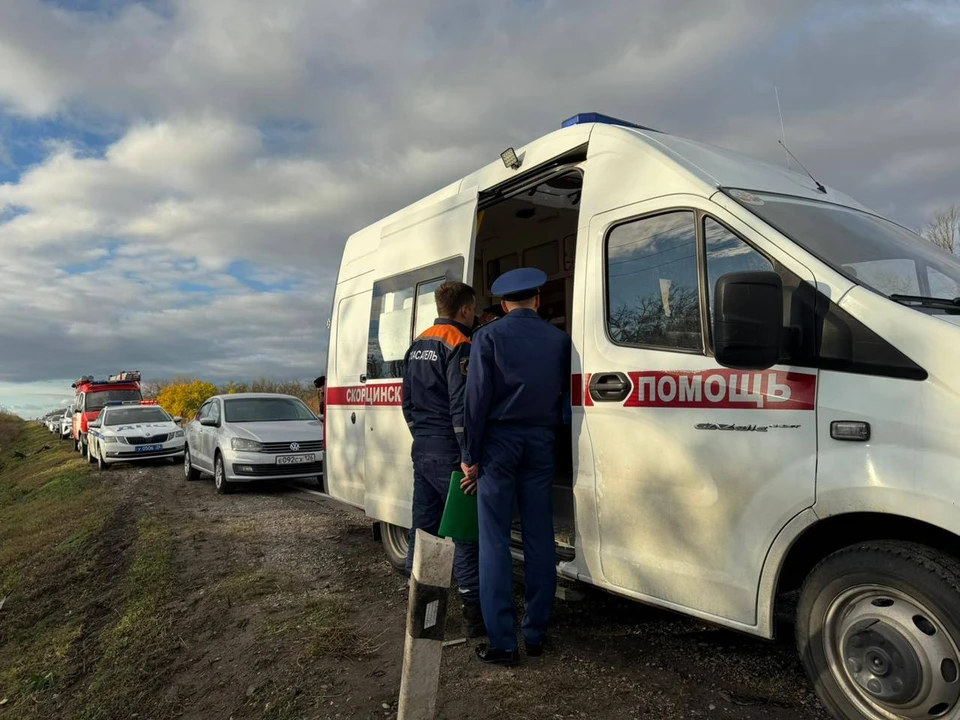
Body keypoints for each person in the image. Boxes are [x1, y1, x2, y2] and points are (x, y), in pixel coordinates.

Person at [464, 267, 571, 665]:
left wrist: (470, 454)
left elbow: (476, 400)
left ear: (505, 304)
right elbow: (566, 399)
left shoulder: (487, 336)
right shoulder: (561, 340)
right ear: (538, 301)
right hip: (541, 442)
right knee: (539, 535)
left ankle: (504, 643)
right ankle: (537, 632)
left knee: (493, 540)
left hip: (499, 443)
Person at [401, 280, 486, 638]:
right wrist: (468, 458)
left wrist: (420, 436)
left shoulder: (418, 343)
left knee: (424, 531)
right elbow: (460, 408)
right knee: (465, 536)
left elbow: (406, 402)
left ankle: (419, 609)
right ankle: (473, 620)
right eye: (473, 310)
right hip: (450, 452)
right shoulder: (460, 344)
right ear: (465, 310)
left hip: (422, 448)